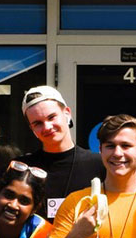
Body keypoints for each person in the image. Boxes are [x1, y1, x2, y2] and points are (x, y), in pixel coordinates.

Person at [12, 85, 104, 222]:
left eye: (51, 117)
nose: (47, 127)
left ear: (67, 113)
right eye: (37, 123)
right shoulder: (22, 168)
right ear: (31, 128)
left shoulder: (98, 164)